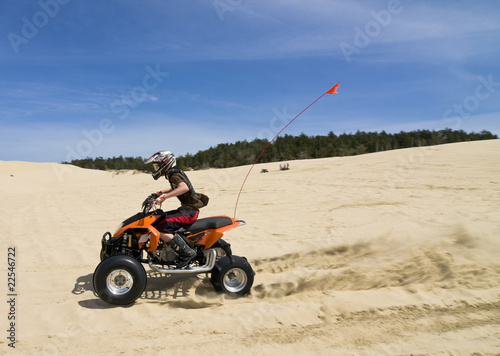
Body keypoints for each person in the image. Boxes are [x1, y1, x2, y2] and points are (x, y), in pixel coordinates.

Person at [144, 151, 209, 268]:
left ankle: (187, 253)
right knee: (159, 219)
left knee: (160, 228)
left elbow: (183, 188)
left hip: (189, 212)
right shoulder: (172, 174)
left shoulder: (174, 175)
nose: (156, 168)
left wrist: (164, 197)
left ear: (165, 163)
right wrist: (162, 192)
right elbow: (176, 187)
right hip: (186, 210)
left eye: (157, 165)